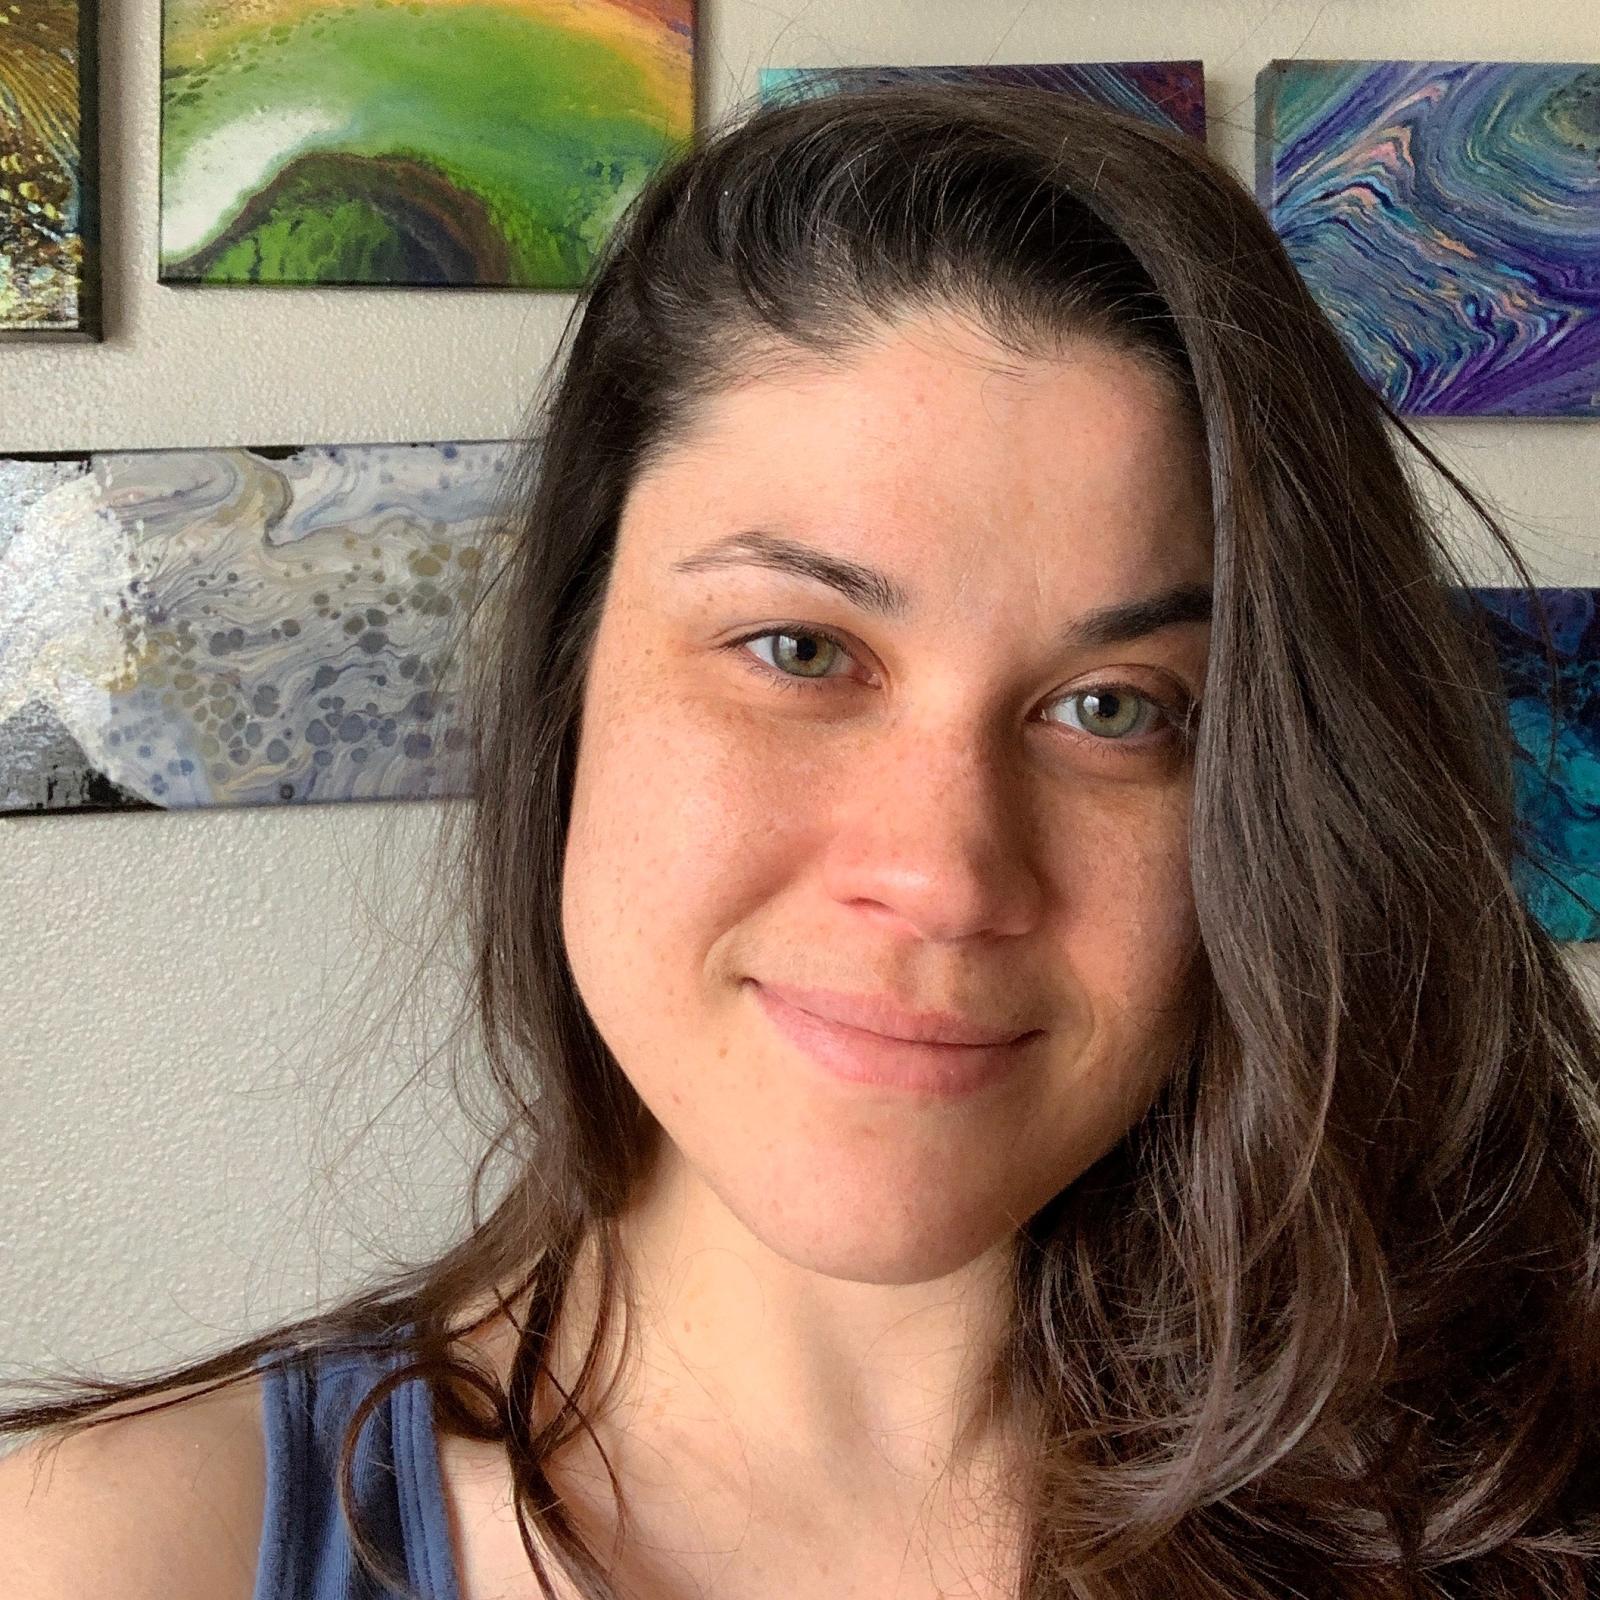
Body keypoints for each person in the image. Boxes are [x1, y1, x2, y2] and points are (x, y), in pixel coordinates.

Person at [4, 80, 1599, 1600]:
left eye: (1114, 708)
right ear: (571, 680)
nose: (945, 877)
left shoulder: (1512, 1518)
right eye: (801, 650)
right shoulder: (114, 1555)